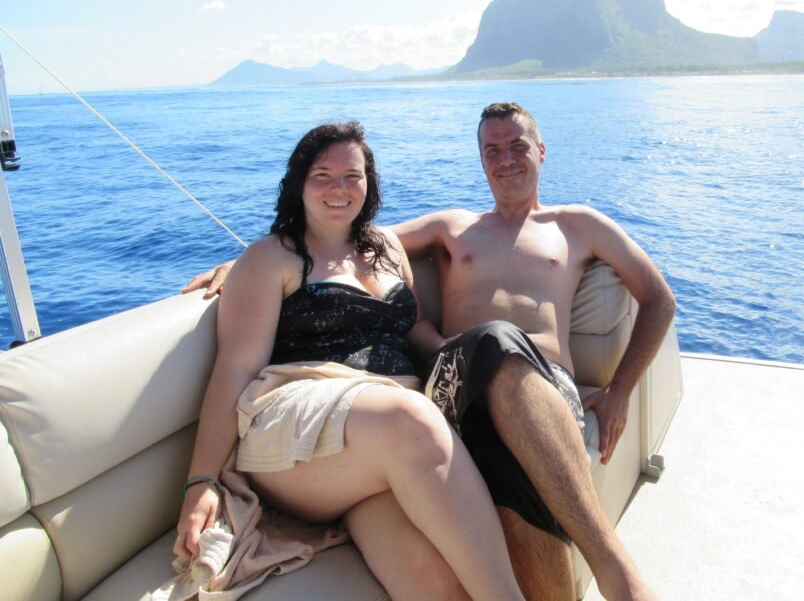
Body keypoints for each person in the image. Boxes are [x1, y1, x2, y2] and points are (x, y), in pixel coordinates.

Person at [186, 104, 676, 601]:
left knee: (499, 467)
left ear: (542, 151)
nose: (505, 159)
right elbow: (329, 239)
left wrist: (619, 390)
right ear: (480, 160)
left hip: (540, 388)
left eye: (517, 146)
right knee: (491, 341)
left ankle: (595, 572)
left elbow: (658, 298)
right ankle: (619, 578)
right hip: (452, 385)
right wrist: (245, 259)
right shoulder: (452, 227)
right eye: (492, 150)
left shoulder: (578, 225)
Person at [175, 122, 525, 601]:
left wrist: (455, 354)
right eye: (323, 175)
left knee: (438, 583)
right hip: (296, 425)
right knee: (409, 416)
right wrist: (202, 481)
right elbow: (234, 369)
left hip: (378, 446)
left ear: (369, 183)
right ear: (299, 183)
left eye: (353, 176)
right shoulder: (269, 260)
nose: (339, 189)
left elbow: (414, 328)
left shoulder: (386, 247)